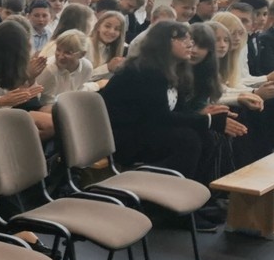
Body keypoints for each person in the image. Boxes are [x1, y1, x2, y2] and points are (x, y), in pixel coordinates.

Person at [102, 22, 241, 192]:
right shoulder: (145, 70)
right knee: (187, 140)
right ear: (163, 42)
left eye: (190, 39)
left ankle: (200, 194)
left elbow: (178, 111)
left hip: (147, 131)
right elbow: (160, 117)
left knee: (206, 136)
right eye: (183, 39)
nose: (190, 44)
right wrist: (209, 120)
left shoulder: (174, 70)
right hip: (124, 137)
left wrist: (205, 117)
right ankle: (166, 198)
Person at [35, 29, 93, 104]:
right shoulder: (49, 69)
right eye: (58, 50)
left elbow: (79, 89)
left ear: (82, 54)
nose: (60, 56)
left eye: (68, 53)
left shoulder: (87, 68)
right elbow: (44, 101)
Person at [89, 10, 128, 80]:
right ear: (98, 27)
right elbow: (80, 78)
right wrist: (107, 68)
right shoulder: (86, 45)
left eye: (117, 29)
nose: (111, 31)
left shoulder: (115, 49)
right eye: (107, 26)